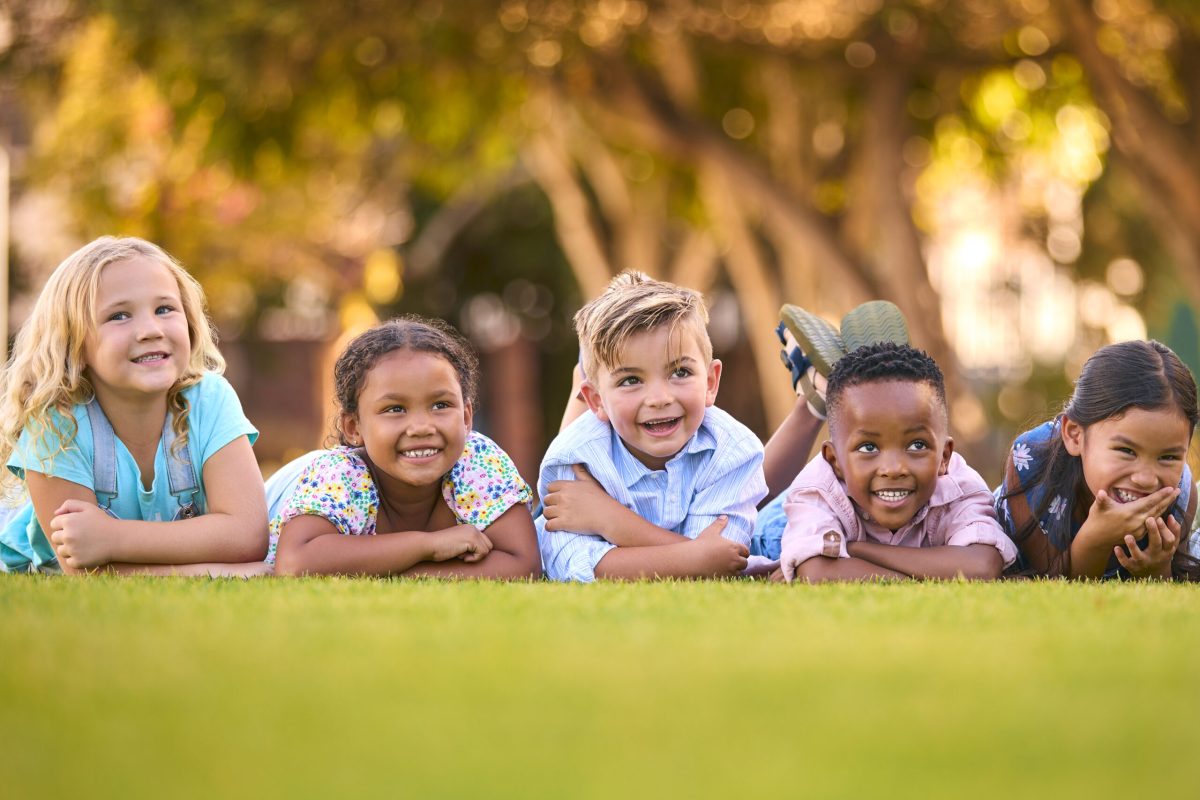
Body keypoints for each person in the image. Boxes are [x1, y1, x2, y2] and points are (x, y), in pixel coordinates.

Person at [0, 236, 268, 575]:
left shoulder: (210, 399)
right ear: (74, 344)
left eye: (164, 309)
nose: (150, 330)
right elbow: (86, 570)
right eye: (120, 315)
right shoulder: (56, 422)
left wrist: (111, 539)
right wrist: (222, 570)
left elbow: (246, 534)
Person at [269, 316, 541, 579]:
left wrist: (405, 572)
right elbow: (294, 563)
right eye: (395, 409)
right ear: (354, 427)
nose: (422, 427)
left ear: (467, 417)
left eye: (440, 405)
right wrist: (429, 545)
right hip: (290, 489)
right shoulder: (341, 475)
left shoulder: (478, 462)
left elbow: (522, 563)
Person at [536, 271, 766, 582]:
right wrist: (696, 557)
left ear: (711, 382)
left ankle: (812, 401)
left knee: (782, 532)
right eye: (631, 380)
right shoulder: (571, 459)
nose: (659, 399)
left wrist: (611, 521)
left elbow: (718, 561)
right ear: (596, 401)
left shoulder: (734, 448)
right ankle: (585, 372)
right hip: (591, 437)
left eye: (680, 372)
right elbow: (574, 567)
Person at [776, 342, 1017, 582]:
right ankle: (812, 397)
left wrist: (856, 549)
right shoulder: (816, 489)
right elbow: (818, 573)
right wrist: (931, 575)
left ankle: (821, 386)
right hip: (781, 523)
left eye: (917, 445)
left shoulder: (959, 486)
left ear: (944, 457)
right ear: (834, 460)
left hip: (844, 531)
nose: (893, 469)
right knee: (754, 502)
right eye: (868, 447)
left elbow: (981, 566)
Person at [995, 340, 1199, 580]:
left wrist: (1157, 567)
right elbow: (1052, 582)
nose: (1145, 479)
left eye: (1168, 457)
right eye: (1127, 451)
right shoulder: (1030, 464)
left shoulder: (1179, 493)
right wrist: (1095, 538)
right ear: (1075, 435)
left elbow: (1162, 590)